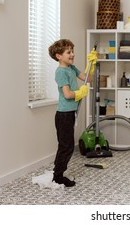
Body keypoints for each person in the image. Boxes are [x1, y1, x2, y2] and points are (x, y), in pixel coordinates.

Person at [48, 38, 97, 187]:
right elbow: (68, 94)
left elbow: (89, 79)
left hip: (70, 113)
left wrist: (91, 64)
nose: (72, 54)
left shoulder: (71, 68)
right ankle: (58, 176)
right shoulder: (61, 72)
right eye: (68, 52)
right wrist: (80, 93)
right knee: (67, 146)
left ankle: (57, 172)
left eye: (72, 51)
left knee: (66, 145)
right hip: (63, 115)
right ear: (59, 56)